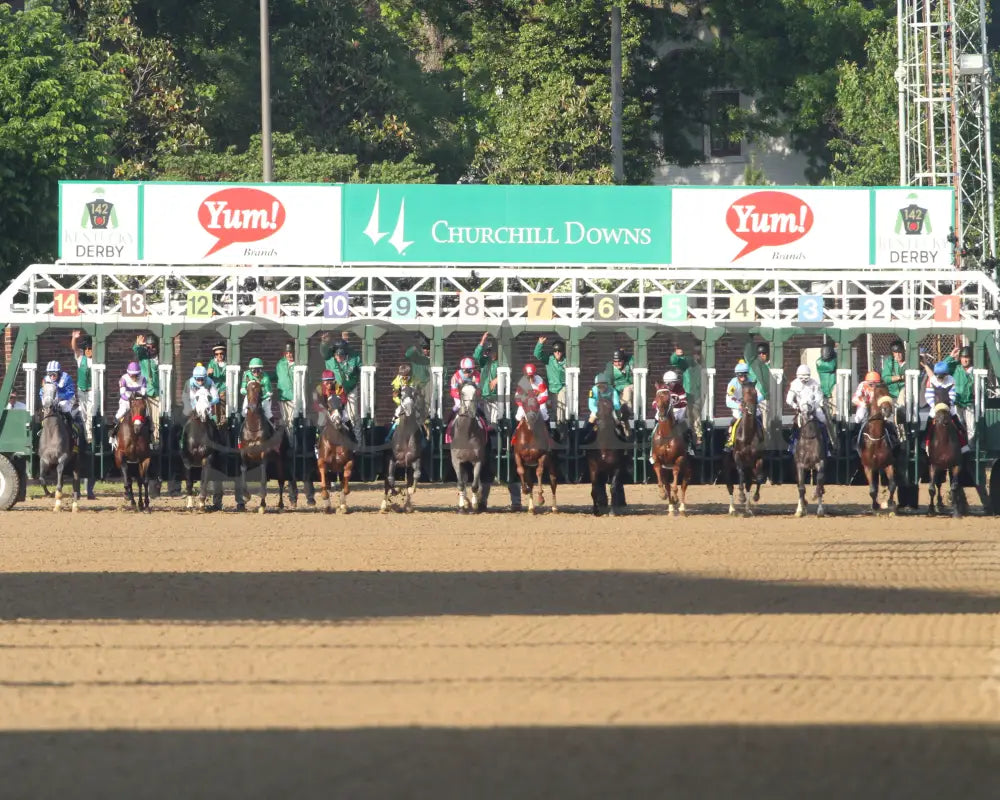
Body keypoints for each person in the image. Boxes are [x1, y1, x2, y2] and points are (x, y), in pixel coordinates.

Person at [922, 360, 969, 455]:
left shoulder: (951, 380)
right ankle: (925, 444)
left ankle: (963, 445)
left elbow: (952, 395)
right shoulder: (932, 380)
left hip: (948, 407)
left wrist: (946, 405)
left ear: (946, 374)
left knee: (957, 424)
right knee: (928, 425)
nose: (940, 378)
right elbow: (928, 396)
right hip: (935, 407)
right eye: (938, 376)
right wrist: (936, 406)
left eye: (942, 376)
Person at [785, 364, 832, 456]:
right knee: (796, 425)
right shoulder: (794, 384)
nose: (803, 380)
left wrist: (817, 404)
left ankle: (827, 445)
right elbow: (789, 399)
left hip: (814, 407)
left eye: (805, 377)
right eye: (801, 377)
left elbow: (819, 397)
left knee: (823, 420)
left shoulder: (814, 383)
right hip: (801, 409)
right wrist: (795, 406)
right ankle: (792, 446)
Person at [649, 370, 694, 461]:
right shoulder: (662, 390)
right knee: (654, 432)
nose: (673, 384)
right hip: (663, 412)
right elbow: (654, 402)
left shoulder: (679, 388)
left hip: (678, 411)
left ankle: (689, 447)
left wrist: (679, 415)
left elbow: (684, 402)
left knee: (685, 427)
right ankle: (651, 452)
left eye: (674, 382)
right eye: (671, 383)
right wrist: (659, 408)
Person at [852, 371, 899, 453]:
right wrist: (864, 404)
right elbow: (855, 398)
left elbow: (886, 398)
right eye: (871, 384)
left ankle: (893, 438)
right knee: (858, 418)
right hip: (865, 406)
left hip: (879, 407)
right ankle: (856, 439)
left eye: (875, 384)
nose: (873, 386)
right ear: (867, 382)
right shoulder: (862, 385)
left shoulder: (882, 387)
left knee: (890, 418)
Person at [321, 332, 361, 426]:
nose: (339, 357)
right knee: (334, 412)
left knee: (353, 415)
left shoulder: (354, 357)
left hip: (350, 388)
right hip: (335, 389)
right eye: (337, 355)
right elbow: (324, 353)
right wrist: (324, 343)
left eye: (341, 355)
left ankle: (357, 437)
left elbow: (360, 368)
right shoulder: (330, 360)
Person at [669, 345, 703, 445]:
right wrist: (676, 354)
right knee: (689, 414)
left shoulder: (705, 366)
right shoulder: (688, 363)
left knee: (695, 413)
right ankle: (692, 435)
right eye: (696, 354)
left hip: (701, 395)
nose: (698, 356)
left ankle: (698, 435)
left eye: (700, 354)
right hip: (689, 394)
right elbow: (675, 361)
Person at [447, 356, 488, 437]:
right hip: (460, 397)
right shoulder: (456, 376)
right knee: (457, 405)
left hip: (473, 398)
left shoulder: (477, 375)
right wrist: (461, 396)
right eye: (464, 370)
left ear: (473, 369)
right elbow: (453, 391)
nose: (467, 373)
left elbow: (479, 390)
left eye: (469, 371)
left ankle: (485, 424)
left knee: (479, 407)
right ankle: (447, 423)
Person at [109, 361, 147, 445]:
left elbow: (144, 392)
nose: (134, 377)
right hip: (126, 401)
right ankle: (112, 434)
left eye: (136, 375)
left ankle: (151, 436)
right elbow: (122, 394)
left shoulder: (143, 378)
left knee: (147, 415)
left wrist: (139, 397)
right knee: (120, 413)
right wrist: (129, 399)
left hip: (138, 401)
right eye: (132, 375)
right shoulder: (123, 379)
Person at [944, 345, 976, 443]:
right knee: (959, 426)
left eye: (967, 357)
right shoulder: (956, 368)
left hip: (970, 403)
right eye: (963, 357)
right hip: (957, 403)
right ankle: (961, 448)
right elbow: (942, 367)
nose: (965, 360)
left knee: (971, 428)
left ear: (971, 358)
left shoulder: (975, 371)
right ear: (960, 358)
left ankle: (971, 449)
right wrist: (951, 356)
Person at [132, 334, 160, 445]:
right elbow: (136, 350)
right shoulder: (143, 357)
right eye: (148, 347)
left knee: (156, 420)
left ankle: (156, 442)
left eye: (153, 347)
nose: (151, 349)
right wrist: (138, 345)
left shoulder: (161, 358)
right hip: (144, 393)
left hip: (157, 393)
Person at [533, 336, 567, 423]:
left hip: (562, 387)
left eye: (560, 351)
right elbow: (537, 354)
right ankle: (554, 427)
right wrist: (540, 343)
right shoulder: (549, 359)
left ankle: (560, 425)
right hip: (552, 389)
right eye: (555, 351)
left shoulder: (566, 361)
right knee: (553, 408)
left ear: (563, 352)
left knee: (561, 407)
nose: (557, 353)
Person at [70, 330, 94, 443]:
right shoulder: (80, 358)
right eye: (87, 349)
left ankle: (90, 435)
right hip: (81, 390)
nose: (88, 351)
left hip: (92, 390)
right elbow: (74, 348)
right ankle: (85, 435)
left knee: (90, 413)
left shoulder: (96, 360)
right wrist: (74, 338)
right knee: (83, 413)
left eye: (90, 348)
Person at [604, 349, 634, 434]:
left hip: (629, 389)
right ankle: (627, 436)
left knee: (627, 389)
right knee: (623, 420)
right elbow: (609, 384)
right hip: (617, 392)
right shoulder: (610, 368)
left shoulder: (628, 364)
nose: (617, 364)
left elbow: (633, 358)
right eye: (615, 361)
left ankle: (627, 409)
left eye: (620, 361)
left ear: (623, 360)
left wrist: (625, 354)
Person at [240, 357, 277, 425]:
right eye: (254, 370)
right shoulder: (247, 374)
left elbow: (269, 393)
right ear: (250, 370)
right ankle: (240, 430)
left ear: (261, 370)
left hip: (263, 397)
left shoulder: (265, 377)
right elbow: (242, 389)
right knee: (244, 412)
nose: (256, 373)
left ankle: (273, 427)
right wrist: (251, 393)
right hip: (250, 396)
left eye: (258, 370)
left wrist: (260, 398)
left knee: (267, 413)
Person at [473, 333, 500, 424]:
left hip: (497, 396)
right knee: (488, 421)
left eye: (491, 351)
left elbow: (508, 373)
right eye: (488, 351)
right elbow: (476, 356)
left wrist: (497, 379)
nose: (489, 353)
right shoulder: (484, 362)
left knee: (494, 421)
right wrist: (482, 341)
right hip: (485, 396)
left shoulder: (501, 363)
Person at [404, 334, 434, 417]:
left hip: (431, 388)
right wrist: (415, 346)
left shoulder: (435, 360)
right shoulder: (417, 358)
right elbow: (407, 354)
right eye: (424, 348)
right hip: (418, 387)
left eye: (428, 348)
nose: (426, 350)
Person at [744, 339, 771, 421]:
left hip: (768, 399)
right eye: (759, 353)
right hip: (754, 398)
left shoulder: (772, 366)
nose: (761, 355)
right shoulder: (753, 365)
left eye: (764, 353)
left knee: (766, 423)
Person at [881, 339, 907, 418]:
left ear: (903, 351)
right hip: (891, 393)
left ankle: (900, 414)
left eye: (900, 352)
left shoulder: (909, 361)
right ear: (893, 353)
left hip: (905, 392)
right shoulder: (889, 362)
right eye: (895, 353)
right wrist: (899, 377)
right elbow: (885, 378)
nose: (898, 355)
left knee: (903, 392)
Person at [815, 342, 838, 428]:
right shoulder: (819, 362)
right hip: (823, 388)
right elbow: (831, 367)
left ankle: (835, 415)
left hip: (833, 386)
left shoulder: (834, 359)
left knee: (836, 393)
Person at [275, 342, 297, 427]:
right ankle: (286, 439)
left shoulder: (297, 364)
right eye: (286, 353)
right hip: (283, 396)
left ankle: (292, 439)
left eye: (290, 352)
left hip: (293, 397)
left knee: (292, 420)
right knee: (284, 420)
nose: (289, 355)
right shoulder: (280, 364)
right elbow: (278, 376)